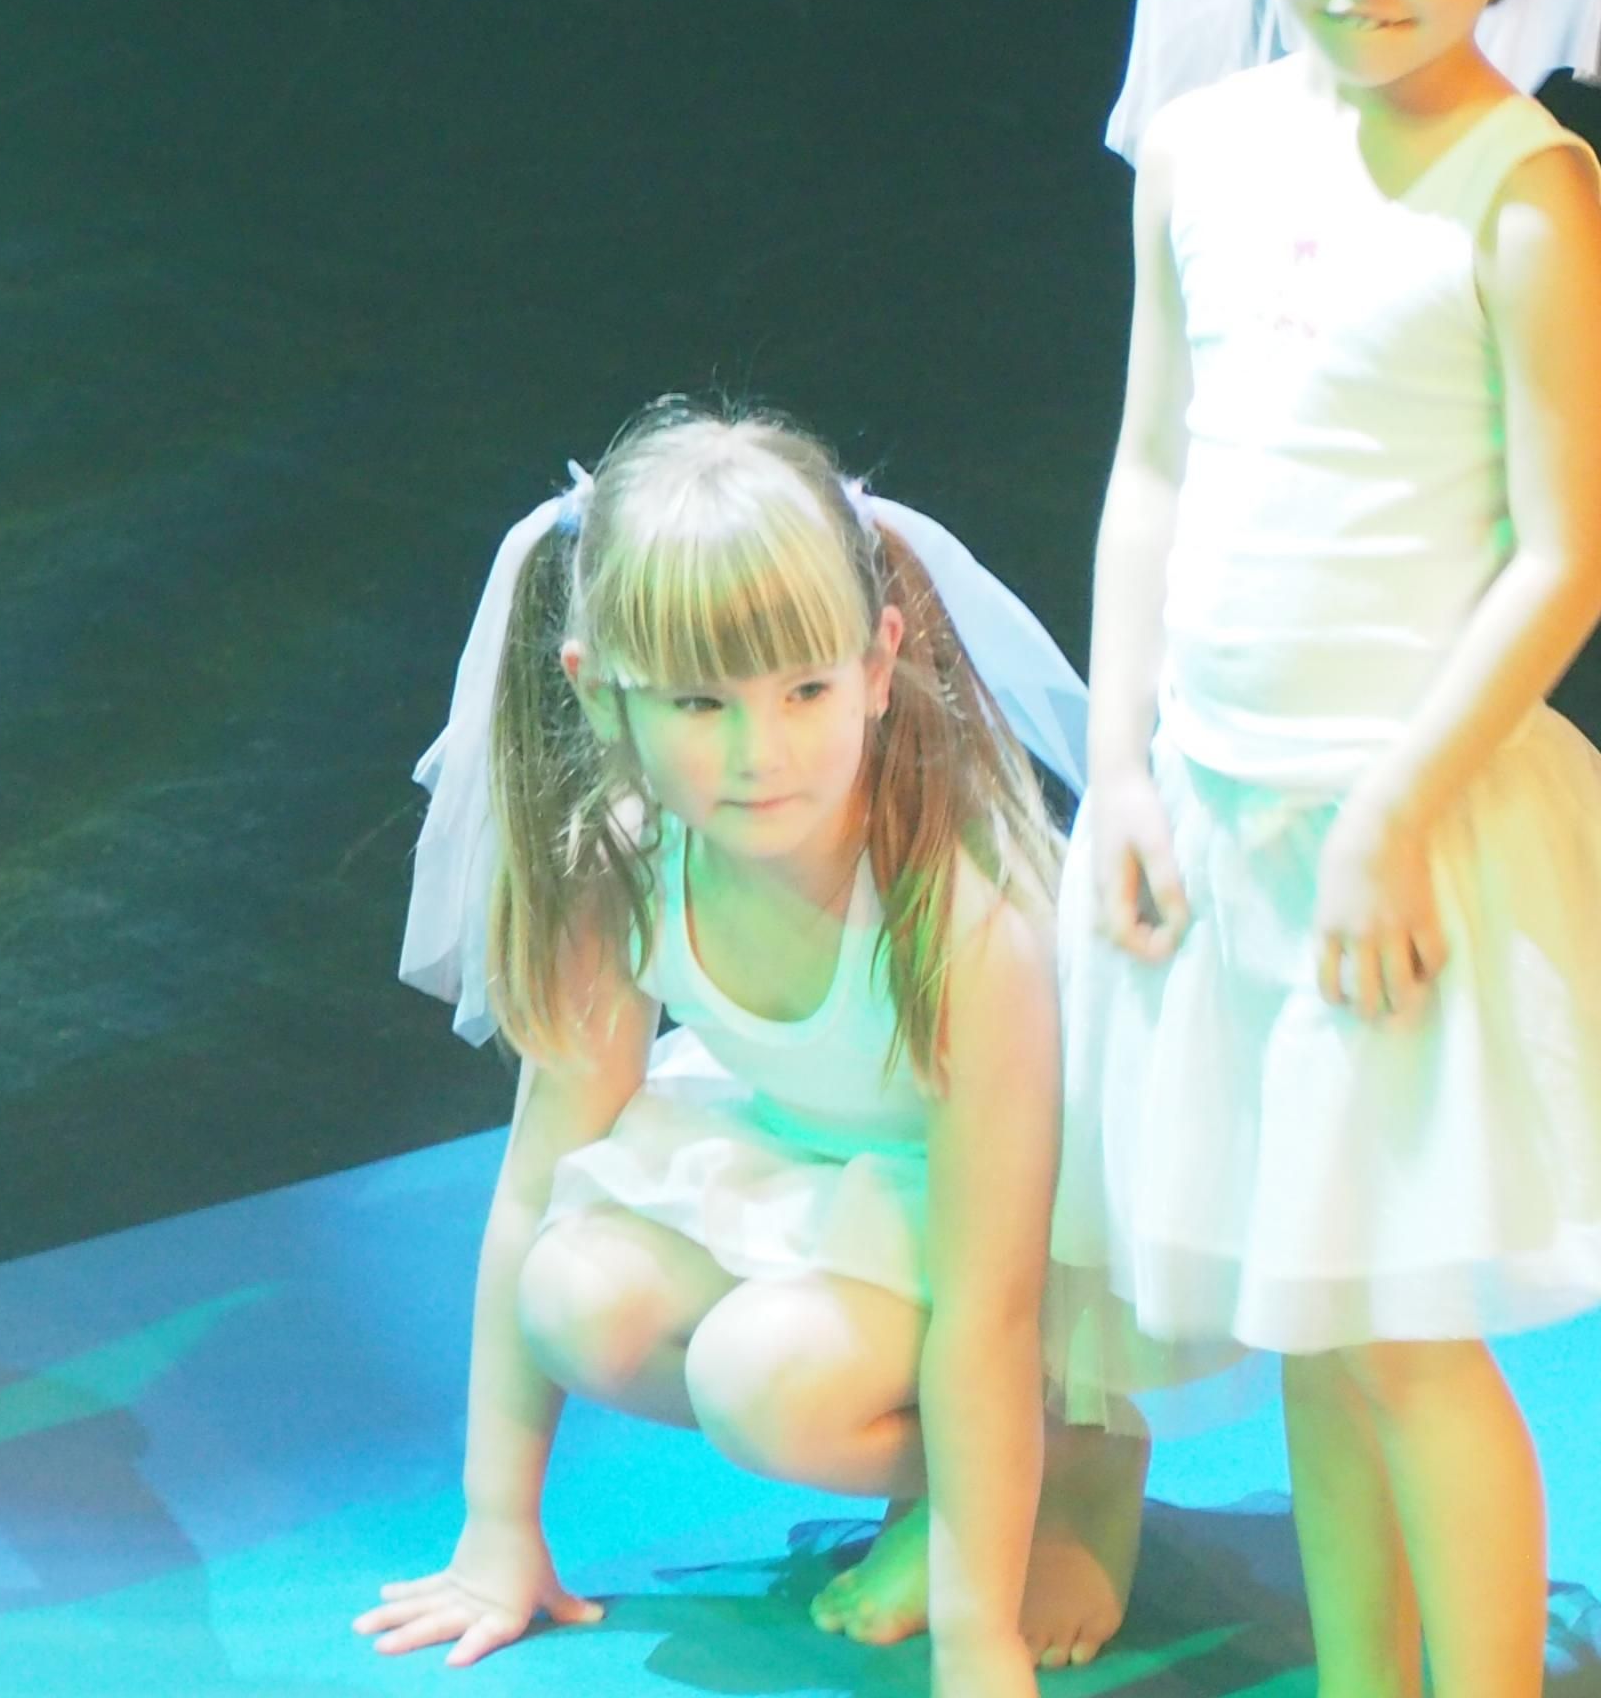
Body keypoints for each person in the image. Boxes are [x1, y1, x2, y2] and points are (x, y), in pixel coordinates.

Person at [1056, 0, 1601, 1698]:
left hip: (1404, 844)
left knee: (1404, 1338)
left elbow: (1562, 556)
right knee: (1310, 1319)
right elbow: (1150, 468)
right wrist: (1120, 763)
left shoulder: (1520, 192)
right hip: (1217, 824)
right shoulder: (1201, 150)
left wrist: (1386, 816)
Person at [360, 404, 1150, 1696]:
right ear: (599, 689)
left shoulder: (961, 917)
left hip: (1018, 1228)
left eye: (805, 692)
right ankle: (964, 1484)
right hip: (823, 1165)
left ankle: (1074, 1467)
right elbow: (531, 1187)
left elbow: (993, 1299)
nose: (759, 752)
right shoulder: (624, 864)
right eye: (698, 702)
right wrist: (498, 1530)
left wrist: (979, 1643)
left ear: (880, 664)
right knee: (575, 1295)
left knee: (762, 1384)